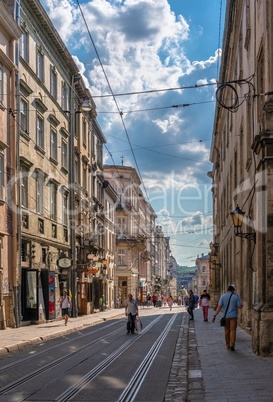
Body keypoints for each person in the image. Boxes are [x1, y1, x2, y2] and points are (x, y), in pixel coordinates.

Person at [212, 285, 242, 351]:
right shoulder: (236, 297)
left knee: (227, 331)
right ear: (233, 290)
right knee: (233, 330)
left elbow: (219, 307)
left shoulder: (223, 296)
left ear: (227, 290)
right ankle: (232, 344)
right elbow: (240, 306)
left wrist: (214, 315)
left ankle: (227, 345)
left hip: (226, 317)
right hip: (233, 316)